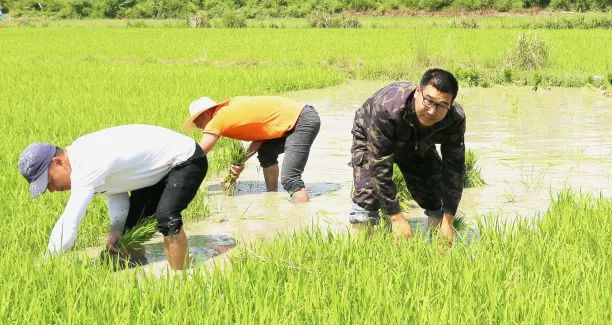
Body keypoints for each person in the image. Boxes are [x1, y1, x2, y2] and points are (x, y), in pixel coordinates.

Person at [18, 125, 207, 270]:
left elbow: (70, 221)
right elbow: (116, 192)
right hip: (158, 172)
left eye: (49, 181)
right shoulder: (82, 161)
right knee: (131, 230)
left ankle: (181, 279)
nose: (51, 189)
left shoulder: (87, 162)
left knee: (167, 217)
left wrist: (47, 262)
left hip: (186, 159)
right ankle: (138, 267)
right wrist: (116, 231)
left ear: (58, 162)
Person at [349, 69, 466, 243]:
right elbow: (379, 165)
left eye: (442, 105)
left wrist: (448, 222)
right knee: (367, 196)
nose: (432, 111)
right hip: (371, 134)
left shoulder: (454, 118)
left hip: (417, 142)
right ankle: (361, 254)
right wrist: (396, 218)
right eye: (428, 101)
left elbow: (454, 168)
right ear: (418, 90)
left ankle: (438, 250)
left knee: (436, 194)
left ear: (450, 104)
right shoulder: (387, 109)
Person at [184, 96, 321, 203]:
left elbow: (199, 153)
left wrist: (177, 171)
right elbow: (261, 135)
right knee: (266, 153)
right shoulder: (229, 109)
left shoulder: (218, 118)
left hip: (302, 120)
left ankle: (300, 221)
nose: (199, 127)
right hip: (300, 117)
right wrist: (241, 161)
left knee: (290, 179)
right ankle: (272, 198)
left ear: (206, 114)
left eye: (197, 123)